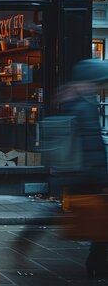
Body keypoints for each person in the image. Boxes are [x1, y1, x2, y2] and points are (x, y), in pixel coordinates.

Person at [55, 59, 108, 279]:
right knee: (100, 223)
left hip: (81, 175)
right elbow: (92, 145)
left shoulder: (75, 102)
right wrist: (101, 178)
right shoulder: (84, 107)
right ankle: (97, 265)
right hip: (89, 176)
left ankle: (97, 263)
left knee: (99, 224)